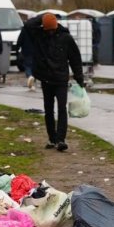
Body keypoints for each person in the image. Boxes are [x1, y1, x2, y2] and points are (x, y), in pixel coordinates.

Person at [22, 12, 85, 152]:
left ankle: (61, 139)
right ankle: (52, 138)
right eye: (48, 29)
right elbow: (28, 25)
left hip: (61, 79)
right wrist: (44, 16)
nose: (50, 32)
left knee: (61, 108)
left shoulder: (66, 38)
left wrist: (79, 78)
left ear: (56, 27)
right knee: (49, 110)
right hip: (46, 79)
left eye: (52, 29)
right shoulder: (39, 36)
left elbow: (75, 59)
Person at [16, 22, 36, 90]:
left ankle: (30, 76)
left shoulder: (24, 29)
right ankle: (33, 80)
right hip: (35, 51)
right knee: (34, 66)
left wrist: (17, 48)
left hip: (26, 51)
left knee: (27, 66)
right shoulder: (36, 29)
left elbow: (20, 39)